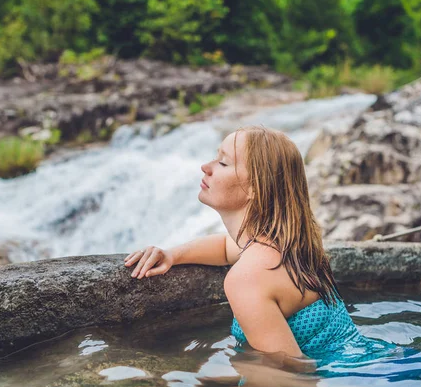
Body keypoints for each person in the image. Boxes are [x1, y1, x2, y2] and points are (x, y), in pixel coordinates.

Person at [124, 125, 396, 367]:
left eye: (223, 163)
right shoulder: (287, 245)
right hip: (379, 365)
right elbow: (223, 247)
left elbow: (289, 375)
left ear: (255, 187)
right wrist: (173, 254)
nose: (206, 167)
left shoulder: (248, 278)